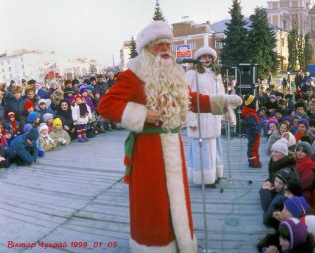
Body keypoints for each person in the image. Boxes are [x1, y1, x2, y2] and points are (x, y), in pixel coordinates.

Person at [97, 20, 241, 252]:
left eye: (167, 44)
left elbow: (191, 99)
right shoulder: (132, 76)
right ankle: (154, 245)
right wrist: (142, 114)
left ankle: (179, 242)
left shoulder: (174, 75)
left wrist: (220, 102)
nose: (165, 49)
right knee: (154, 200)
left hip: (173, 145)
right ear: (146, 49)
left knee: (176, 198)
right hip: (148, 149)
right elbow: (106, 105)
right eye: (158, 45)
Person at [185, 46, 226, 187]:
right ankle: (204, 178)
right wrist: (190, 118)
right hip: (199, 118)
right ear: (198, 59)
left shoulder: (216, 75)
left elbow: (221, 96)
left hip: (213, 118)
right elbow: (186, 97)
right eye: (204, 57)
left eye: (209, 57)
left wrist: (224, 113)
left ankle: (214, 174)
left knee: (214, 148)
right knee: (201, 150)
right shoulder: (191, 74)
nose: (207, 59)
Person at [242, 94, 262, 168]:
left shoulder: (251, 112)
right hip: (254, 135)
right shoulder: (250, 114)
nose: (257, 105)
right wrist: (257, 132)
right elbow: (252, 125)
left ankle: (255, 160)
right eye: (256, 103)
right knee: (253, 148)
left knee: (254, 148)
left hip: (255, 135)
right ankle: (254, 162)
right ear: (252, 104)